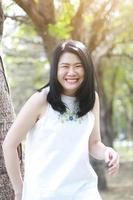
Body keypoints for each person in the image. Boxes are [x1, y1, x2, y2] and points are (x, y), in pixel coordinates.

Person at [3, 40, 119, 200]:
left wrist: (107, 151)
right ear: (56, 70)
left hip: (84, 191)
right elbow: (9, 144)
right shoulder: (41, 100)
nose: (72, 72)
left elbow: (93, 144)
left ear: (87, 69)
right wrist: (19, 190)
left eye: (78, 66)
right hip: (45, 193)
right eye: (65, 66)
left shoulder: (92, 99)